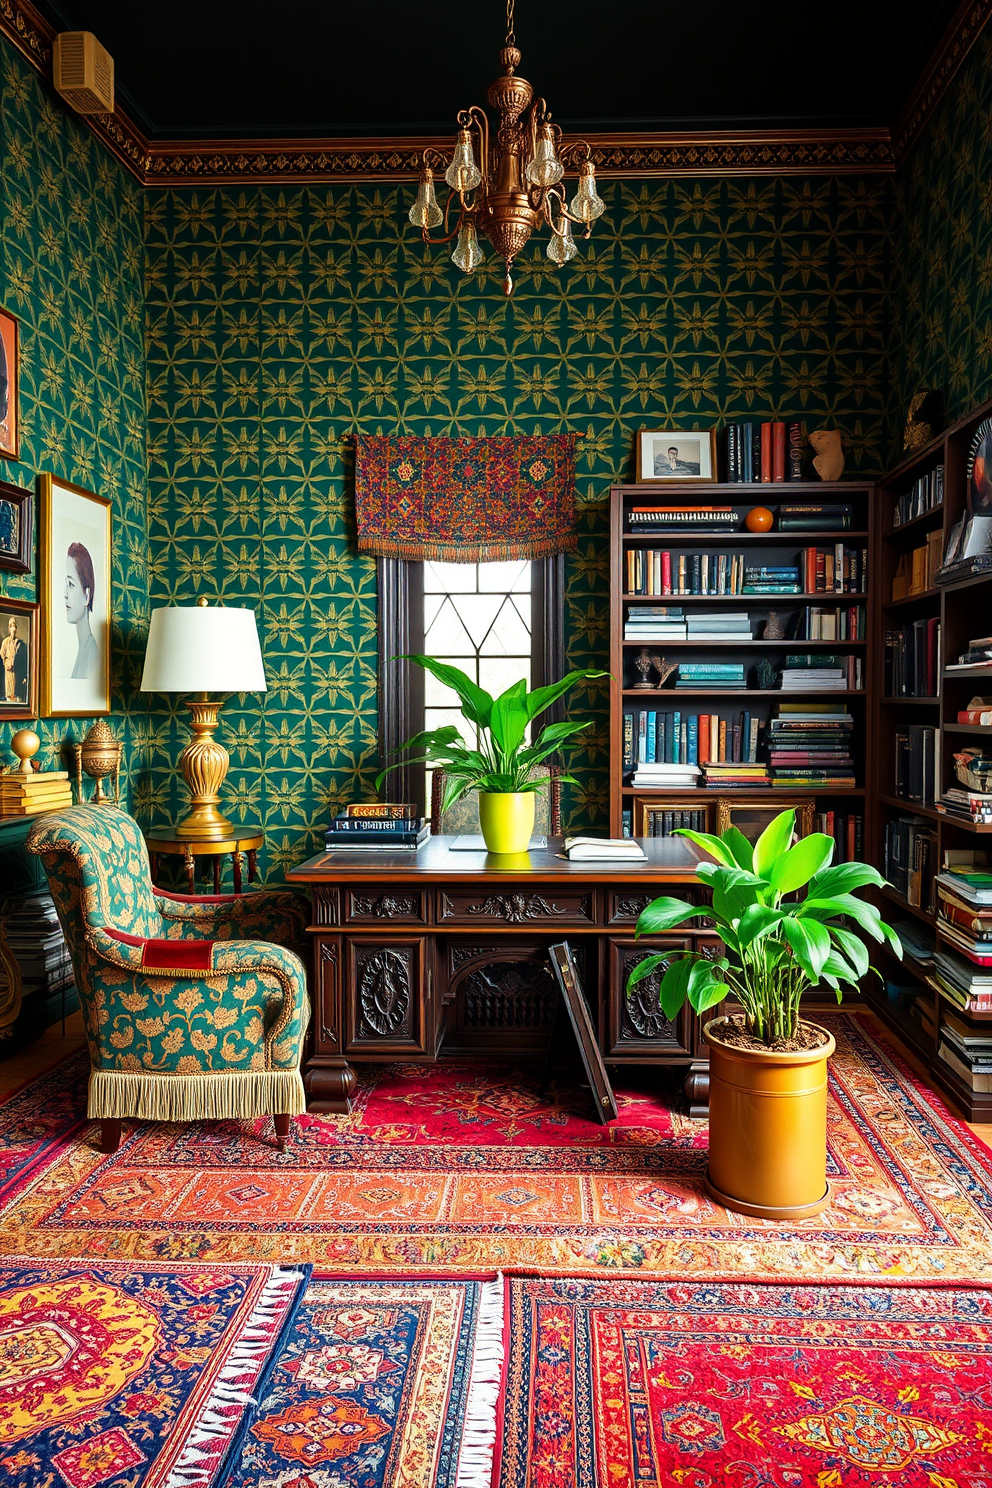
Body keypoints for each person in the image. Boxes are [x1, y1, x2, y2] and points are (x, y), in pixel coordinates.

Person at [65, 541, 98, 680]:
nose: (65, 594)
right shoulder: (83, 649)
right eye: (66, 584)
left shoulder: (92, 655)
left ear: (87, 595)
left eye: (71, 584)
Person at [1, 615, 27, 703]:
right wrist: (6, 662)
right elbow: (2, 654)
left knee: (16, 690)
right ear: (9, 628)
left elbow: (22, 659)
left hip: (17, 670)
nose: (13, 628)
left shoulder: (20, 643)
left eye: (14, 625)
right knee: (9, 688)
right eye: (11, 626)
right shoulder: (5, 641)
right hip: (8, 669)